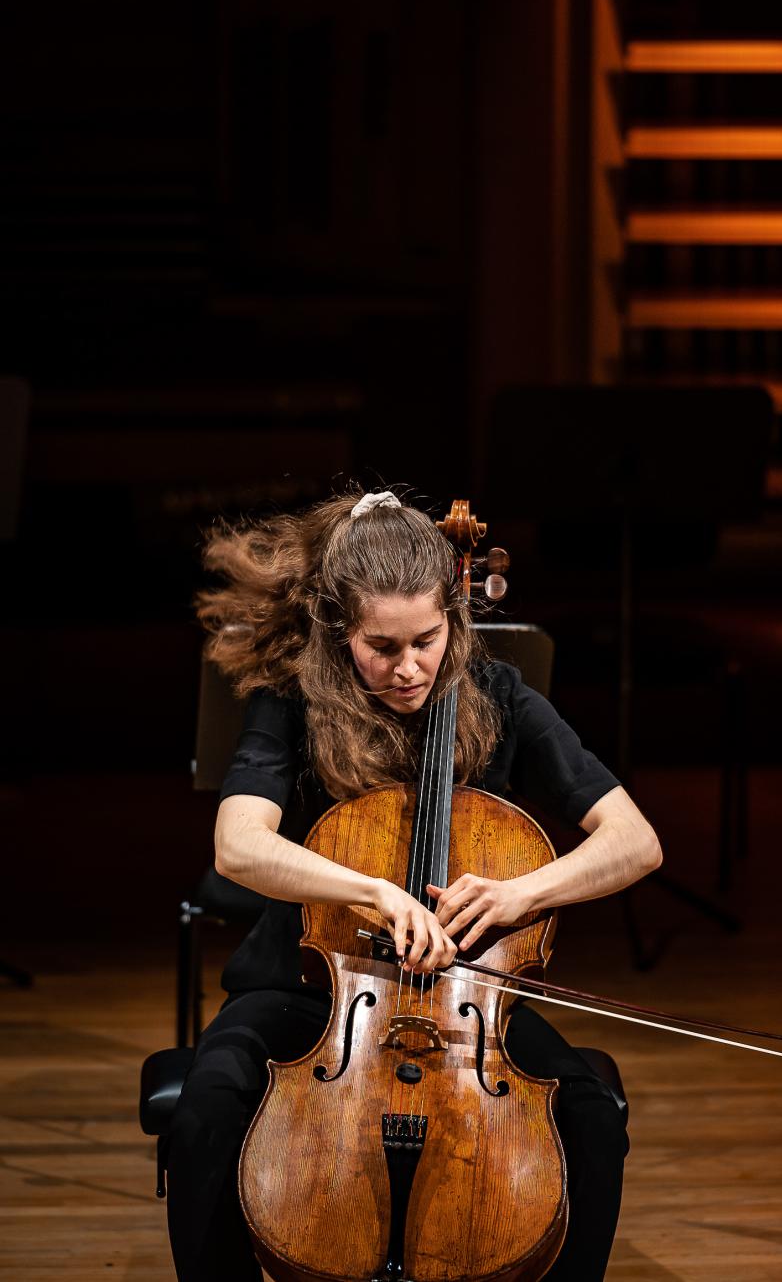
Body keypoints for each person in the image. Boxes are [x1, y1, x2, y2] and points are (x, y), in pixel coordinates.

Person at [166, 488, 662, 1282]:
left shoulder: (502, 700)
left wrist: (521, 895)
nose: (408, 668)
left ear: (453, 620)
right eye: (381, 646)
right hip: (309, 993)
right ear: (339, 631)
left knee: (594, 1119)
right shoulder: (294, 701)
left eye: (426, 640)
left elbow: (636, 843)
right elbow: (238, 844)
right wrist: (372, 891)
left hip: (467, 1000)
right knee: (207, 1109)